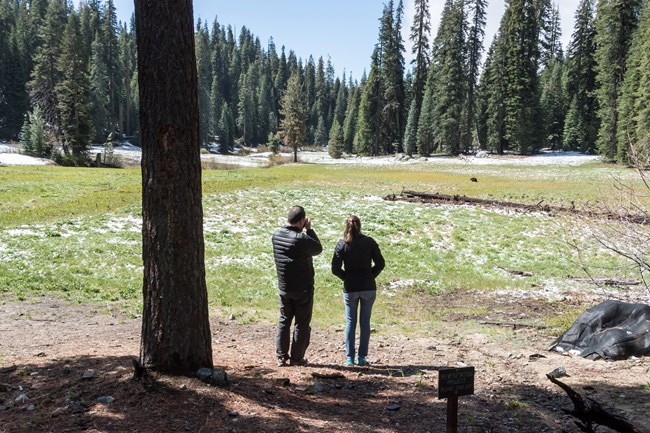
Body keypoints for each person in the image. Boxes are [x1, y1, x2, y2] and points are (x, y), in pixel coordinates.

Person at [272, 205, 323, 367]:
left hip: (284, 286)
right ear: (302, 220)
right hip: (303, 288)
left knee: (284, 320)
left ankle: (281, 355)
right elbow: (317, 249)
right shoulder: (301, 239)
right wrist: (310, 229)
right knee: (301, 323)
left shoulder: (276, 235)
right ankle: (297, 357)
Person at [331, 215, 385, 366]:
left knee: (350, 322)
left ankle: (350, 358)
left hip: (351, 288)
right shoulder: (369, 242)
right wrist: (370, 275)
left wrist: (346, 277)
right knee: (365, 323)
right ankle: (362, 357)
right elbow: (380, 263)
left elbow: (335, 269)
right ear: (359, 226)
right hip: (368, 287)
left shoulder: (342, 244)